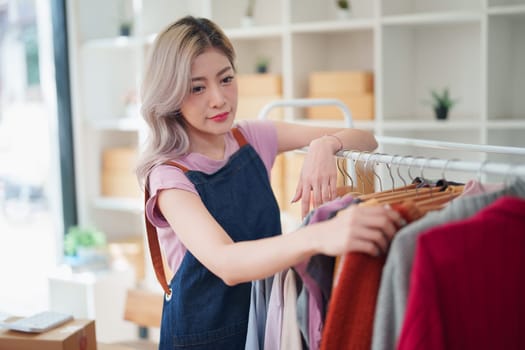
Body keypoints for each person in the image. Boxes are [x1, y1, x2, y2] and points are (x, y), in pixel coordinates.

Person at [136, 15, 402, 350]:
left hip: (265, 327)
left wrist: (326, 144)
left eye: (226, 79)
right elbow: (227, 262)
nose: (218, 99)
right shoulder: (169, 175)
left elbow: (367, 139)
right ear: (170, 94)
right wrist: (318, 236)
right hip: (203, 339)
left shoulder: (251, 137)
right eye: (197, 87)